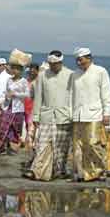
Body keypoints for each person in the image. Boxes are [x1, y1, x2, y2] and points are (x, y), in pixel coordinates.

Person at [24, 51, 73, 181]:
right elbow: (38, 97)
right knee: (42, 144)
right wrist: (35, 117)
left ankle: (58, 170)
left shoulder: (70, 75)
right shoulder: (42, 76)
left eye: (55, 64)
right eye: (51, 64)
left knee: (61, 147)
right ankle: (36, 170)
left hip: (64, 116)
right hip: (46, 115)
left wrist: (73, 115)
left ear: (60, 62)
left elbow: (73, 96)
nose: (52, 67)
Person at [71, 48, 110, 182]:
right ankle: (81, 172)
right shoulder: (75, 74)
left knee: (93, 143)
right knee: (78, 145)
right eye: (77, 60)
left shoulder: (100, 71)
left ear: (89, 58)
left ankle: (100, 170)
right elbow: (71, 95)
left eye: (81, 59)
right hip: (78, 114)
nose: (79, 62)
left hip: (94, 114)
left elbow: (106, 93)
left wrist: (107, 113)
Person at [0, 62, 30, 155]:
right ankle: (2, 146)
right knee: (3, 124)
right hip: (8, 106)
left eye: (18, 69)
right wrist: (6, 96)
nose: (15, 71)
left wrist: (16, 94)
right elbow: (6, 91)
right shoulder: (9, 80)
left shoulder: (24, 81)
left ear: (21, 71)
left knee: (15, 128)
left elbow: (27, 94)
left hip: (18, 107)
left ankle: (12, 147)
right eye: (14, 68)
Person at [23, 63, 39, 157]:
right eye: (30, 71)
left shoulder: (39, 82)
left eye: (34, 71)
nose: (32, 73)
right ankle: (31, 153)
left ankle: (33, 151)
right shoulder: (26, 81)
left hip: (35, 110)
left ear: (37, 71)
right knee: (28, 130)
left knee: (32, 132)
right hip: (26, 108)